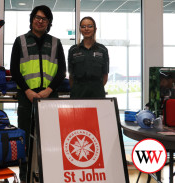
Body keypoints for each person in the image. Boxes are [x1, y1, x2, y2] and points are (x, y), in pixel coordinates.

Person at [10, 5, 66, 183]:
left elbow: (61, 71)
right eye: (37, 17)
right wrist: (27, 91)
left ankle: (49, 176)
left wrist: (48, 91)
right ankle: (25, 177)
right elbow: (14, 70)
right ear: (32, 19)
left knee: (50, 141)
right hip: (27, 98)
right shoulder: (20, 41)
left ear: (48, 22)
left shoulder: (56, 43)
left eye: (44, 18)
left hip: (50, 99)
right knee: (25, 140)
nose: (40, 21)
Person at [68, 16, 109, 98]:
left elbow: (105, 75)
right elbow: (71, 76)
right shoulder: (73, 50)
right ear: (80, 30)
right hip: (78, 94)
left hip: (97, 94)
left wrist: (94, 88)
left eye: (90, 26)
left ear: (95, 29)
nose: (86, 29)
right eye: (83, 26)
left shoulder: (102, 50)